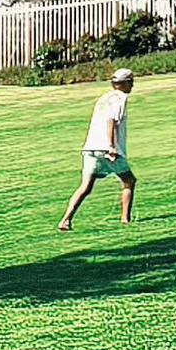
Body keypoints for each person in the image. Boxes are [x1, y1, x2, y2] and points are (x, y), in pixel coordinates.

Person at [59, 69, 136, 232]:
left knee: (85, 187)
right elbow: (111, 120)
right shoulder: (121, 98)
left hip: (90, 147)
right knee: (128, 180)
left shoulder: (104, 97)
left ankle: (65, 220)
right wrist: (110, 146)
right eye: (131, 81)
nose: (132, 85)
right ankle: (125, 220)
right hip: (106, 147)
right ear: (125, 83)